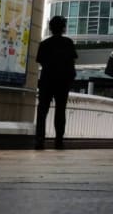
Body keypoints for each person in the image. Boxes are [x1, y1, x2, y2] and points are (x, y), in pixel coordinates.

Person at [34, 15, 77, 150]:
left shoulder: (44, 44)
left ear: (50, 28)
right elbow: (71, 63)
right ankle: (58, 141)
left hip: (47, 80)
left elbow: (41, 61)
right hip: (63, 82)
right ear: (63, 28)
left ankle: (40, 139)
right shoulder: (68, 43)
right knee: (60, 110)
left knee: (42, 110)